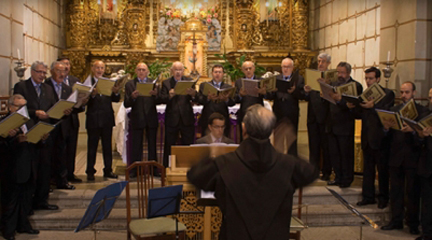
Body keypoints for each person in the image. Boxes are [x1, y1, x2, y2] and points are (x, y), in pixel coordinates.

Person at [187, 104, 318, 239]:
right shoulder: (287, 164)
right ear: (271, 131)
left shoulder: (225, 164)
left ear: (244, 129)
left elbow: (195, 176)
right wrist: (284, 149)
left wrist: (211, 153)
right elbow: (311, 173)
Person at [381, 82, 428, 235]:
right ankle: (396, 221)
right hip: (395, 156)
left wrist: (413, 131)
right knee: (395, 190)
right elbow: (387, 137)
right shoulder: (394, 110)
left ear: (414, 93)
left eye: (407, 92)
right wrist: (386, 129)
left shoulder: (422, 111)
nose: (404, 95)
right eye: (401, 92)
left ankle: (413, 223)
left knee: (412, 192)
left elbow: (424, 138)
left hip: (413, 157)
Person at [13, 61, 58, 211]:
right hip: (29, 132)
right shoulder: (22, 87)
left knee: (45, 169)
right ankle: (29, 204)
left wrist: (59, 113)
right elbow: (20, 109)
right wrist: (35, 112)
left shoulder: (48, 89)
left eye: (44, 73)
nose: (42, 75)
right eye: (39, 72)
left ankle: (42, 200)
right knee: (31, 171)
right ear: (32, 72)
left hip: (45, 133)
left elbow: (53, 107)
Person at [0, 95, 42, 240]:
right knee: (11, 202)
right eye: (18, 106)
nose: (22, 109)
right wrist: (13, 139)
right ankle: (8, 230)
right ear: (10, 107)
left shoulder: (29, 121)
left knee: (26, 200)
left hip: (29, 165)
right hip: (12, 168)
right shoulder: (4, 122)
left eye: (24, 106)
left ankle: (23, 225)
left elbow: (33, 141)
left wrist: (41, 137)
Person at [355, 67, 394, 209]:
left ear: (378, 79)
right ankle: (368, 196)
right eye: (366, 78)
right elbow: (359, 114)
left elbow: (387, 110)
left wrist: (373, 105)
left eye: (371, 78)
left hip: (380, 138)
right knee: (368, 170)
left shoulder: (387, 93)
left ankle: (383, 198)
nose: (368, 81)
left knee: (382, 171)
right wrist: (351, 105)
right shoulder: (364, 95)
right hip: (367, 138)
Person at [326, 62, 363, 188]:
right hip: (332, 124)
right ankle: (338, 176)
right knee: (335, 153)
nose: (339, 75)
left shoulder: (356, 86)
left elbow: (352, 106)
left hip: (345, 125)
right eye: (338, 72)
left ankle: (347, 179)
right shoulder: (333, 84)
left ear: (348, 73)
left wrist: (340, 101)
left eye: (342, 72)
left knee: (345, 154)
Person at [85, 60, 120, 181]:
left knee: (107, 147)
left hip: (106, 119)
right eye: (97, 68)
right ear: (93, 69)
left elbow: (115, 99)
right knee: (92, 147)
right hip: (93, 119)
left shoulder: (108, 82)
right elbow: (83, 101)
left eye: (102, 68)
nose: (100, 70)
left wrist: (116, 92)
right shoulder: (88, 82)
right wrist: (92, 95)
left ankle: (108, 170)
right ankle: (90, 171)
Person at [124, 63, 160, 176]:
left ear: (147, 71)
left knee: (152, 145)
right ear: (136, 71)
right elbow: (126, 103)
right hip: (137, 117)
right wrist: (132, 97)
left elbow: (159, 101)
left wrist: (155, 95)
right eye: (139, 69)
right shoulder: (130, 84)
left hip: (151, 117)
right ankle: (135, 170)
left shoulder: (153, 83)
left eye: (143, 69)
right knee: (136, 145)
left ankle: (153, 169)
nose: (141, 72)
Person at [45, 61, 77, 190]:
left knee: (61, 153)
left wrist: (69, 110)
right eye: (59, 71)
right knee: (48, 155)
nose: (62, 74)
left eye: (64, 71)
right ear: (52, 71)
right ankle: (48, 181)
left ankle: (61, 180)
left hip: (62, 125)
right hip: (48, 124)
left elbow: (70, 105)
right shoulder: (45, 86)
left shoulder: (67, 88)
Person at [160, 61, 197, 167]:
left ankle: (187, 166)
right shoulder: (166, 83)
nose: (178, 72)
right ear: (172, 71)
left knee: (187, 144)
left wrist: (193, 94)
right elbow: (161, 98)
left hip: (186, 117)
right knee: (169, 145)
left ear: (183, 71)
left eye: (180, 70)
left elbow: (196, 98)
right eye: (176, 70)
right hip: (172, 118)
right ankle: (167, 168)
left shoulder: (189, 81)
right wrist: (169, 96)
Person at [267, 58, 304, 156]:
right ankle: (278, 162)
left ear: (292, 68)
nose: (285, 69)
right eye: (284, 67)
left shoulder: (299, 79)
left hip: (291, 112)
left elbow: (302, 96)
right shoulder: (276, 78)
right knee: (278, 138)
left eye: (288, 67)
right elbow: (269, 97)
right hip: (278, 111)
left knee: (291, 140)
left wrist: (294, 91)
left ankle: (292, 164)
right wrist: (272, 91)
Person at [303, 53, 332, 180]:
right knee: (313, 145)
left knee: (326, 146)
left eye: (323, 61)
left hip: (325, 117)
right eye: (319, 61)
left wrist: (325, 85)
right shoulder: (312, 76)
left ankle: (326, 172)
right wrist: (306, 91)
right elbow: (306, 97)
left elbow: (333, 97)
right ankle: (313, 171)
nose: (320, 64)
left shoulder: (331, 78)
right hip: (312, 116)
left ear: (328, 63)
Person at [57, 56, 83, 183]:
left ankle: (70, 174)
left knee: (72, 149)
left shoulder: (75, 80)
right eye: (63, 64)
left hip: (72, 119)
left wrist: (82, 102)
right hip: (59, 121)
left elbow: (78, 101)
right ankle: (59, 177)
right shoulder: (52, 82)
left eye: (68, 64)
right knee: (60, 150)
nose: (66, 66)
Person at [197, 64, 235, 137]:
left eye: (220, 72)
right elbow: (199, 100)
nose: (217, 74)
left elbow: (232, 102)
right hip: (207, 117)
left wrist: (226, 99)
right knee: (206, 142)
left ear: (223, 74)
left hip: (223, 117)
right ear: (212, 73)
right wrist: (208, 98)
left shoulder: (228, 87)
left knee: (223, 142)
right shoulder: (204, 85)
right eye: (215, 72)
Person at [235, 61, 266, 142]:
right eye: (246, 69)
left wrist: (263, 93)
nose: (248, 71)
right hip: (244, 112)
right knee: (245, 136)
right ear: (243, 70)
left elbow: (268, 95)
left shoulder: (261, 80)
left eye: (250, 68)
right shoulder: (238, 82)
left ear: (254, 69)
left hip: (258, 112)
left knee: (258, 135)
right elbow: (235, 99)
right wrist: (240, 95)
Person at [416, 89, 432, 240]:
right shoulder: (425, 115)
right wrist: (421, 136)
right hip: (427, 164)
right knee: (426, 201)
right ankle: (426, 232)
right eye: (430, 97)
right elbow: (418, 141)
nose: (431, 100)